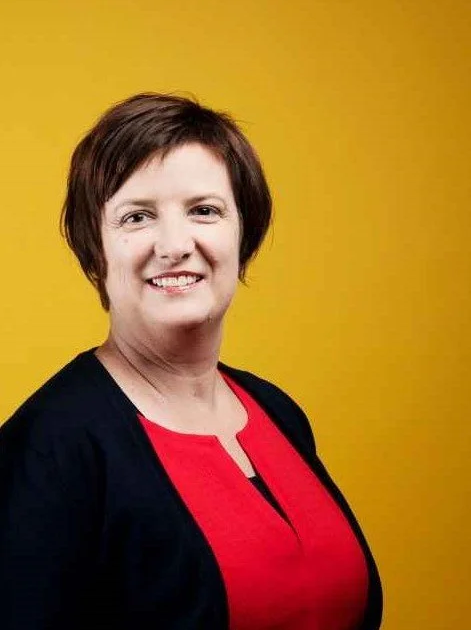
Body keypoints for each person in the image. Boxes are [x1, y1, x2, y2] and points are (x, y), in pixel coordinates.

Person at [0, 93, 382, 630]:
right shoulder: (49, 448)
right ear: (95, 251)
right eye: (137, 217)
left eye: (204, 210)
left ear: (243, 231)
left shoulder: (276, 411)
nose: (175, 245)